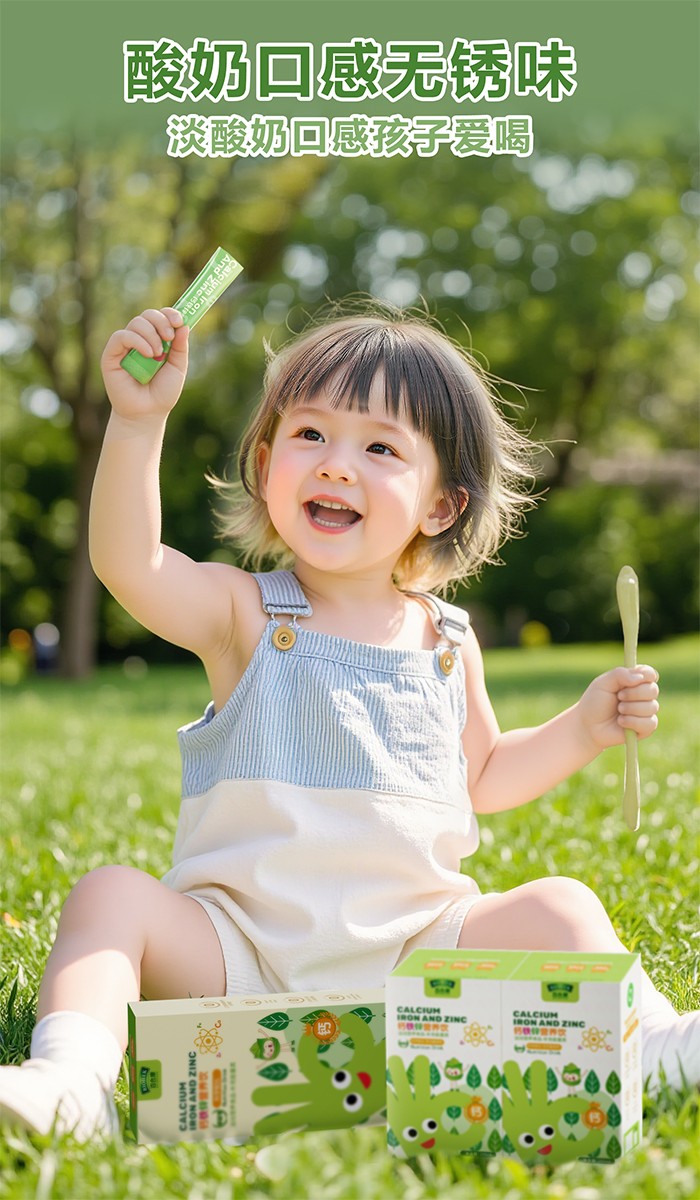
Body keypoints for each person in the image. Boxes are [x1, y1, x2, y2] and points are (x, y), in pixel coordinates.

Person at [1, 304, 697, 1141]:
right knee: (110, 896)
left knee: (563, 906)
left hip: (416, 962)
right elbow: (129, 562)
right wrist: (138, 421)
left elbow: (483, 777)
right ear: (266, 465)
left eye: (379, 448)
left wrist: (583, 728)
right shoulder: (245, 614)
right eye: (310, 436)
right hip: (237, 958)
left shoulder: (447, 640)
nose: (336, 466)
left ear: (441, 504)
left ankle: (652, 1042)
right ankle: (73, 1079)